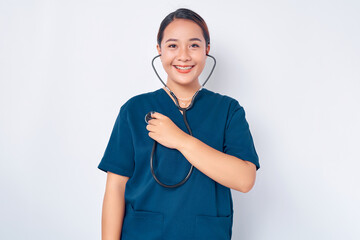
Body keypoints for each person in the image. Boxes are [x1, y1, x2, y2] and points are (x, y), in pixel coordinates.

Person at [98, 8, 260, 240]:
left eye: (194, 45)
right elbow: (115, 189)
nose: (183, 55)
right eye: (173, 45)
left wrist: (181, 140)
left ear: (207, 50)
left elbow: (244, 180)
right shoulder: (134, 110)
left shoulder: (228, 110)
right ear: (159, 50)